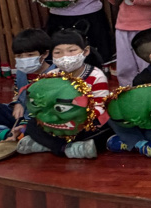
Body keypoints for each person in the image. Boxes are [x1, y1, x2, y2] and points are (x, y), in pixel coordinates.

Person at [16, 29, 111, 159]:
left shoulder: (96, 75)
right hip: (56, 121)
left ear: (85, 51)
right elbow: (43, 104)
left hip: (81, 124)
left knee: (108, 127)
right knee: (33, 124)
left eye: (71, 51)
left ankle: (49, 145)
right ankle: (65, 148)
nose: (65, 56)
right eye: (58, 52)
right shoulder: (51, 75)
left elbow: (101, 105)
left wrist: (81, 118)